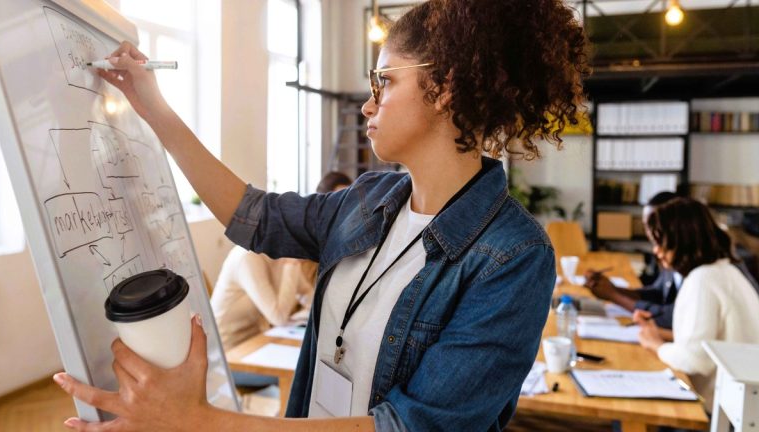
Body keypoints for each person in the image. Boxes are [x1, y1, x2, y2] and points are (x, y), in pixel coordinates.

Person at [53, 1, 590, 430]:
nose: (367, 104)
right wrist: (153, 107)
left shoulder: (514, 256)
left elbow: (413, 426)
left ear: (443, 87)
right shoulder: (369, 197)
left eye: (384, 81)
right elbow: (255, 216)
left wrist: (199, 422)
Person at [211, 172, 351, 387]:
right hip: (228, 359)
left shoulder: (277, 258)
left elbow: (310, 299)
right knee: (304, 376)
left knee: (314, 366)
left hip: (259, 345)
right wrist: (292, 265)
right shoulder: (248, 258)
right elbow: (278, 316)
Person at [634, 198, 759, 409]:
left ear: (681, 239)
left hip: (720, 409)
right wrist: (659, 334)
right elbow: (711, 343)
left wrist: (656, 345)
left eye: (660, 242)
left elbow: (696, 361)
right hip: (743, 404)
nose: (656, 251)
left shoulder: (703, 279)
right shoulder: (724, 271)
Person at [585, 191, 759, 332]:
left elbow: (672, 317)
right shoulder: (678, 255)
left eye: (654, 226)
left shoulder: (705, 271)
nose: (649, 234)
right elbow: (659, 294)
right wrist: (611, 289)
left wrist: (613, 296)